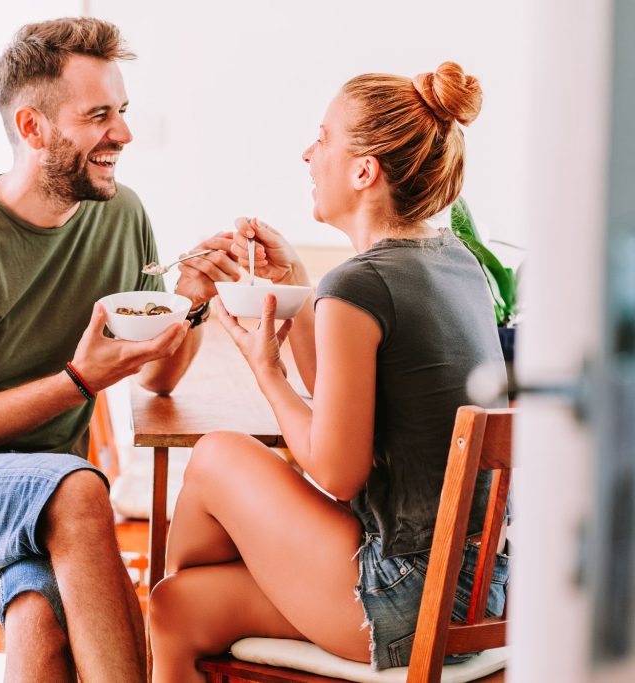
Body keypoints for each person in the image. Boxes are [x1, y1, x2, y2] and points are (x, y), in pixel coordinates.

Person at [0, 17, 240, 683]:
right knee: (79, 485)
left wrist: (191, 299)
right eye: (99, 116)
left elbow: (160, 380)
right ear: (32, 128)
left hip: (38, 507)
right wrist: (76, 381)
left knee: (39, 615)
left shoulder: (120, 215)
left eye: (121, 112)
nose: (123, 134)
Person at [148, 62, 510, 681]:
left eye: (322, 139)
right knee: (176, 605)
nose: (308, 154)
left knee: (214, 456)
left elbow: (340, 472)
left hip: (405, 594)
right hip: (481, 590)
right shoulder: (455, 262)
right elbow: (348, 406)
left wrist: (267, 371)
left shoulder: (359, 285)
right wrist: (298, 285)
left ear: (363, 170)